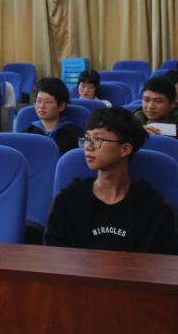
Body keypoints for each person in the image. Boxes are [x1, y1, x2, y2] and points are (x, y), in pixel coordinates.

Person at [45, 107, 178, 254]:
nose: (88, 147)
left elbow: (163, 263)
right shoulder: (67, 201)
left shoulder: (155, 209)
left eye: (97, 140)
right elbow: (54, 257)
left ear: (125, 149)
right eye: (87, 139)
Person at [26, 78, 82, 155]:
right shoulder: (28, 133)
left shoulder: (75, 134)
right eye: (38, 101)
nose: (41, 106)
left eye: (48, 102)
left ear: (62, 106)